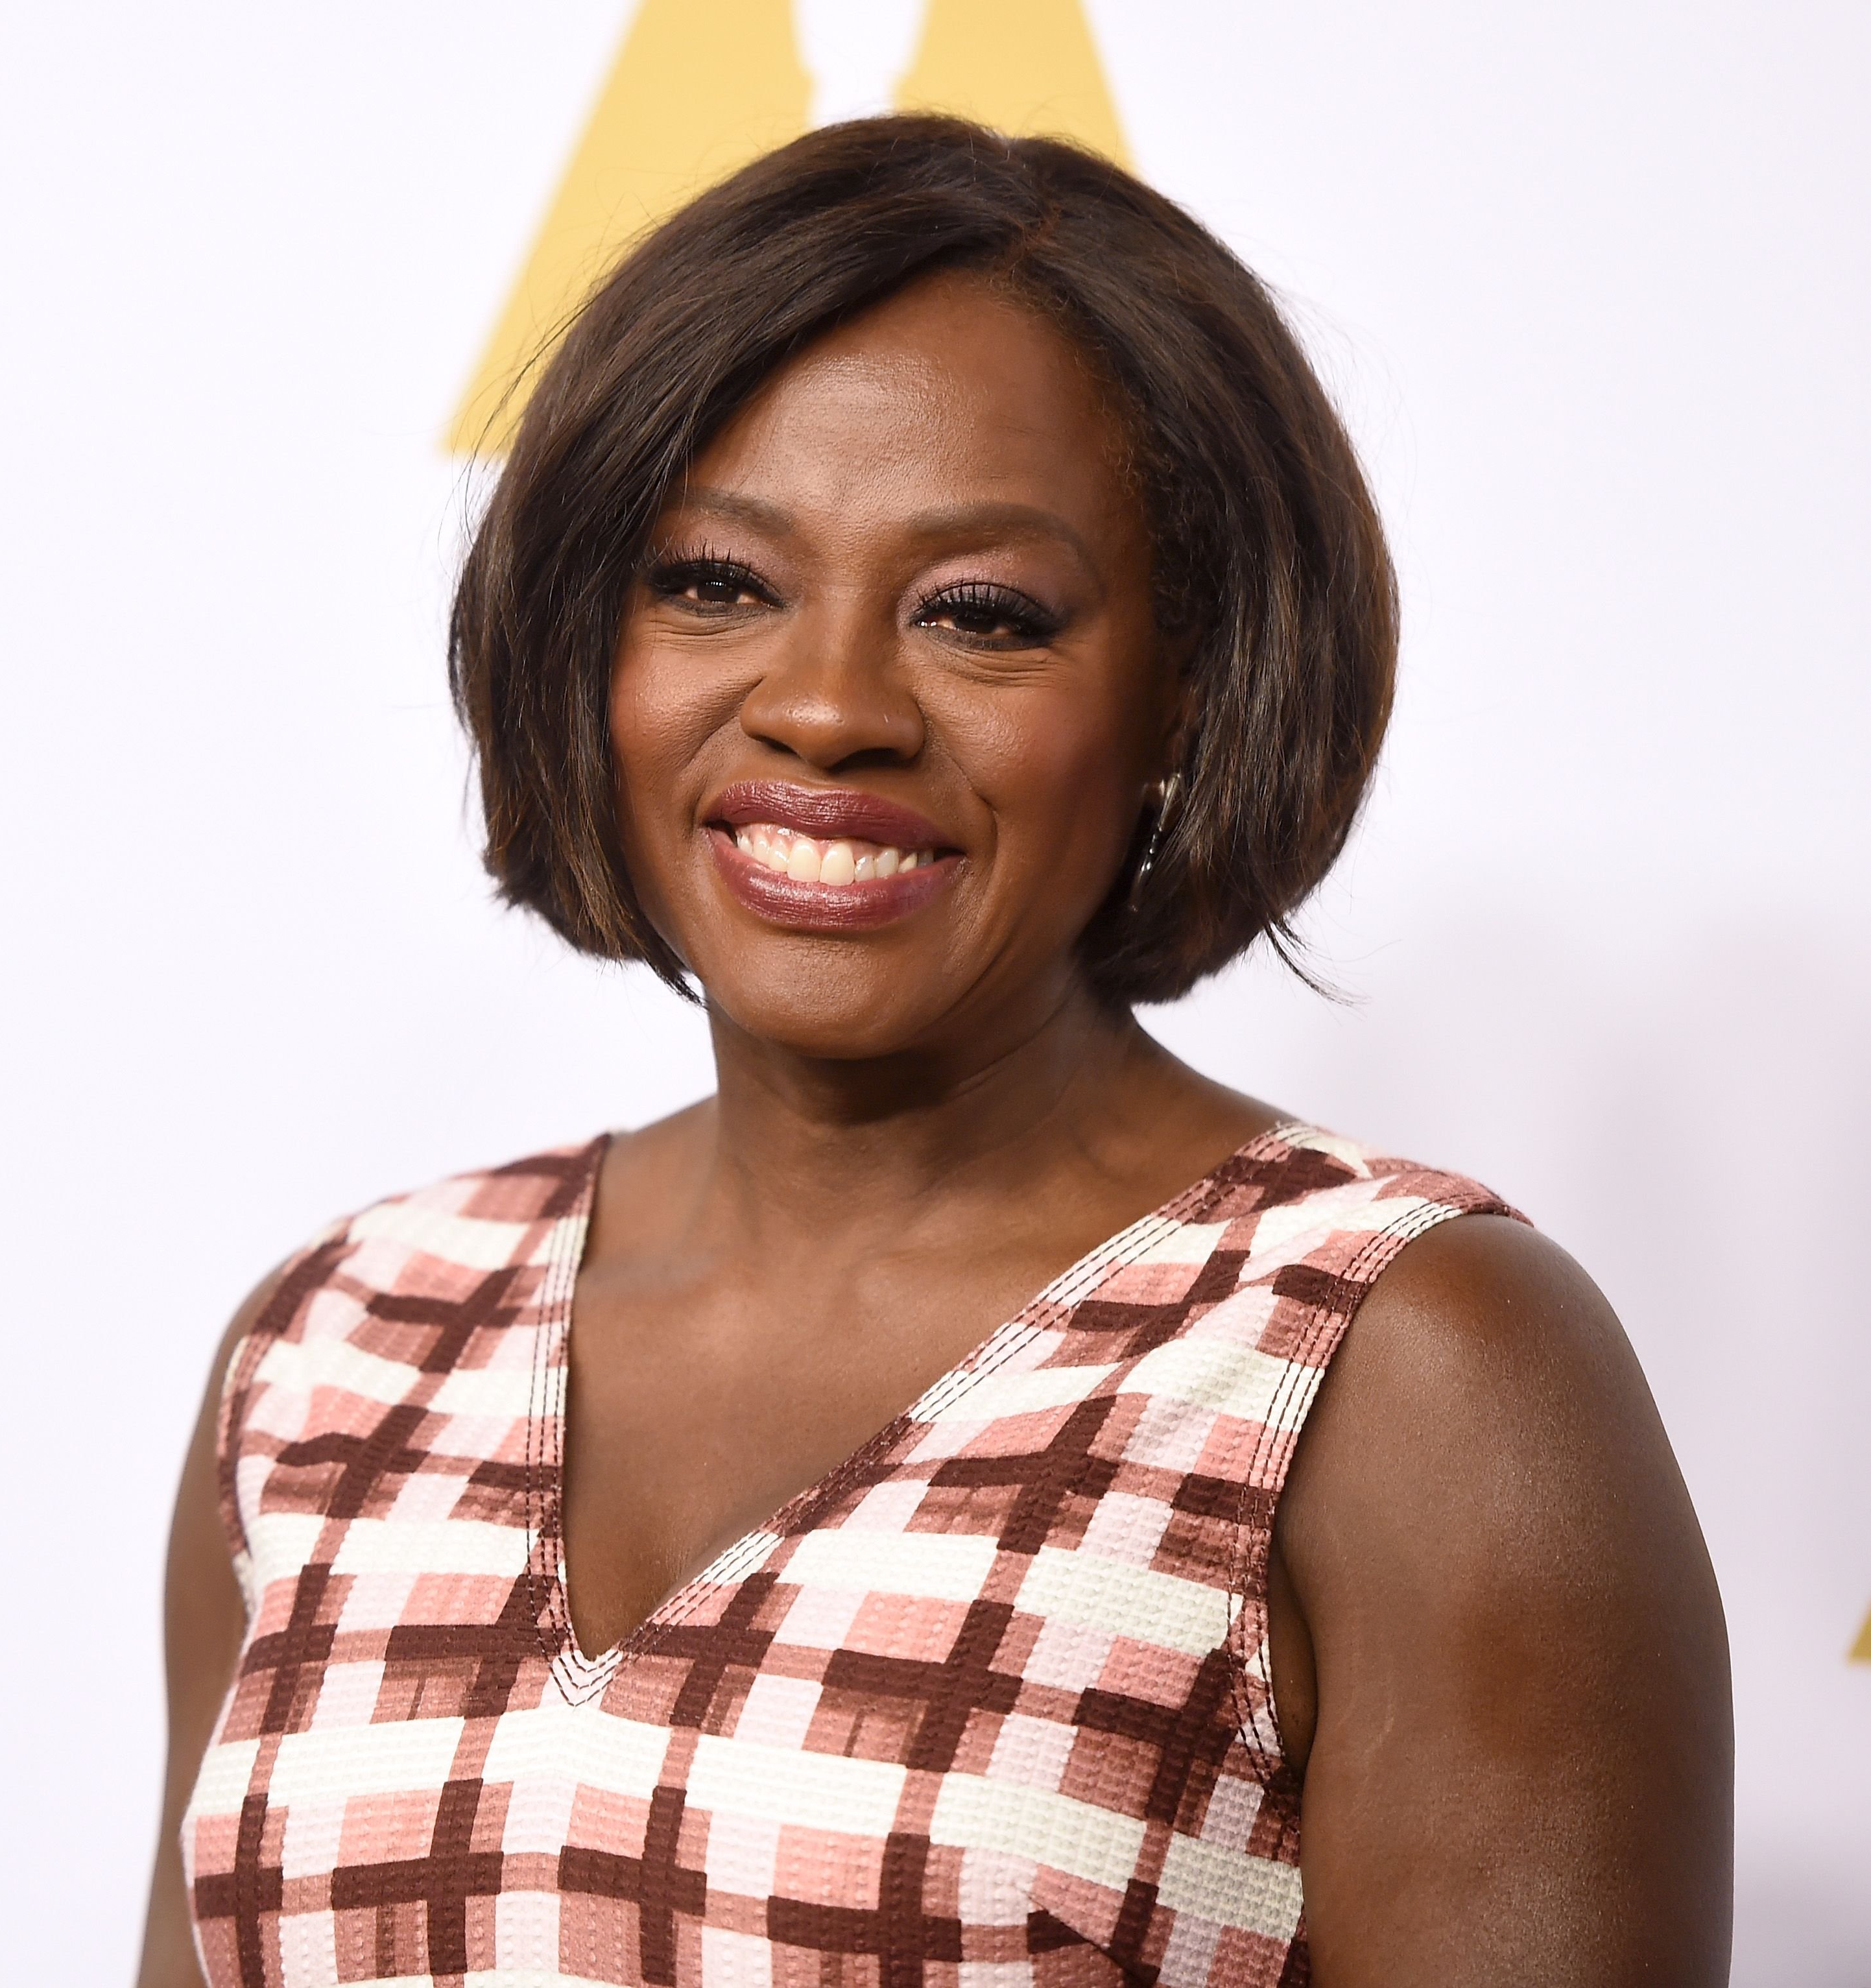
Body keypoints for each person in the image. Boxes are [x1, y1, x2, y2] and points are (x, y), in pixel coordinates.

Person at [139, 115, 1730, 1987]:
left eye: (977, 614)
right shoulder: (338, 1346)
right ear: (584, 642)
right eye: (713, 583)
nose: (822, 707)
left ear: (1188, 693)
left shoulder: (1400, 1366)